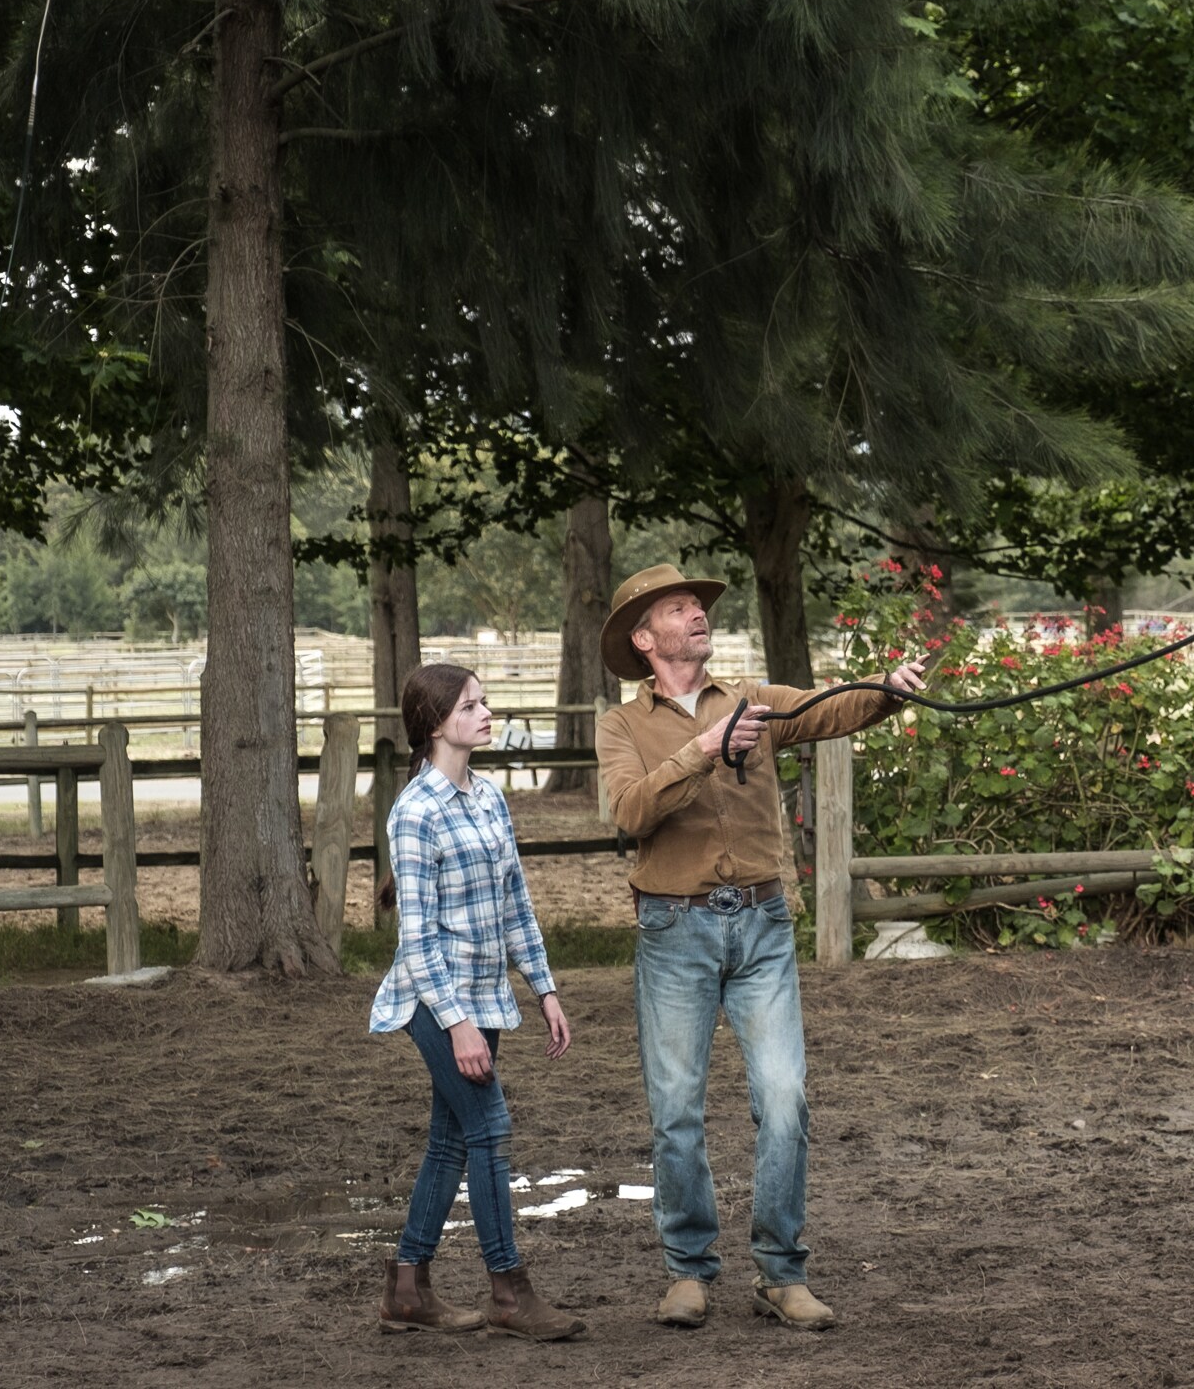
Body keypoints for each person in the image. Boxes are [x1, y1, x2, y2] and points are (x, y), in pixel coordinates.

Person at [593, 564, 923, 1332]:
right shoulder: (621, 725)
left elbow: (824, 710)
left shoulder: (755, 699)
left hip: (764, 928)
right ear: (644, 640)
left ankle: (781, 1272)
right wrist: (704, 748)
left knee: (785, 1100)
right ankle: (687, 1271)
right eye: (677, 609)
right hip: (673, 931)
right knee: (676, 1111)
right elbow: (631, 811)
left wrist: (887, 688)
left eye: (698, 606)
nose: (696, 616)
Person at [369, 661, 586, 1342]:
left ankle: (407, 1290)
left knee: (451, 1140)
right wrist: (457, 1024)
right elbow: (418, 938)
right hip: (434, 1002)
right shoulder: (415, 813)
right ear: (437, 724)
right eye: (472, 705)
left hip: (488, 997)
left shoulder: (490, 798)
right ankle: (508, 1292)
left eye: (485, 703)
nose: (487, 714)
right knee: (489, 1127)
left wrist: (544, 989)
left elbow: (516, 905)